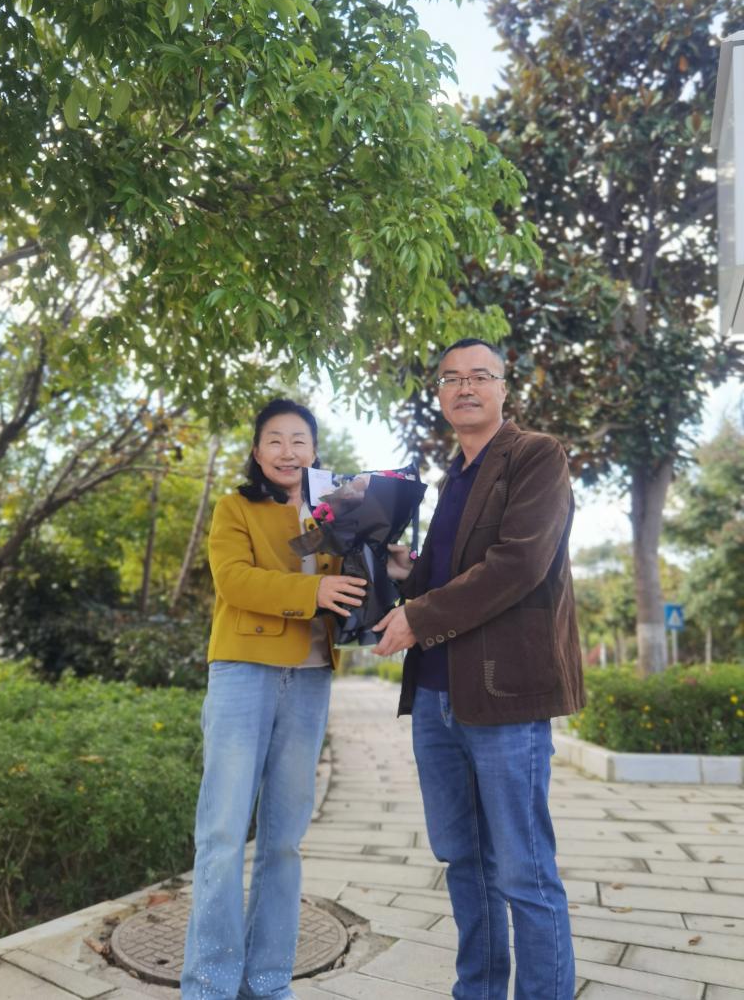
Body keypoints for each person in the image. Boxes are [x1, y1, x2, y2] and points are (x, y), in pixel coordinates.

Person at [373, 338, 585, 1000]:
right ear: (440, 394)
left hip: (504, 695)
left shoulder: (537, 455)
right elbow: (450, 577)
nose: (464, 387)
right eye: (451, 379)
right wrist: (406, 572)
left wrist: (418, 615)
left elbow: (519, 564)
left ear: (503, 387)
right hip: (436, 699)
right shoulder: (452, 478)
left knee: (524, 870)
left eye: (479, 375)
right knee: (464, 861)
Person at [181, 398, 366, 1000]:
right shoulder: (235, 507)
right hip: (245, 672)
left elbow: (355, 586)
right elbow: (234, 580)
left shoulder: (335, 514)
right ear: (258, 452)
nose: (288, 452)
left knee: (284, 841)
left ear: (314, 451)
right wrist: (314, 590)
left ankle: (267, 983)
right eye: (275, 440)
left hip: (310, 679)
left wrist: (391, 565)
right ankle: (209, 986)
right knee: (223, 835)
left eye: (299, 441)